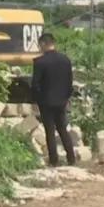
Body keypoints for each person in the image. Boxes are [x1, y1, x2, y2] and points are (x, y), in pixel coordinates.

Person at [31, 32, 77, 166]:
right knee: (63, 129)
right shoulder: (65, 60)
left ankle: (54, 160)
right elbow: (69, 82)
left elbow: (35, 84)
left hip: (46, 101)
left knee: (49, 131)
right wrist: (67, 97)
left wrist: (36, 100)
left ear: (43, 44)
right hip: (62, 100)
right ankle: (71, 158)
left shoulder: (39, 62)